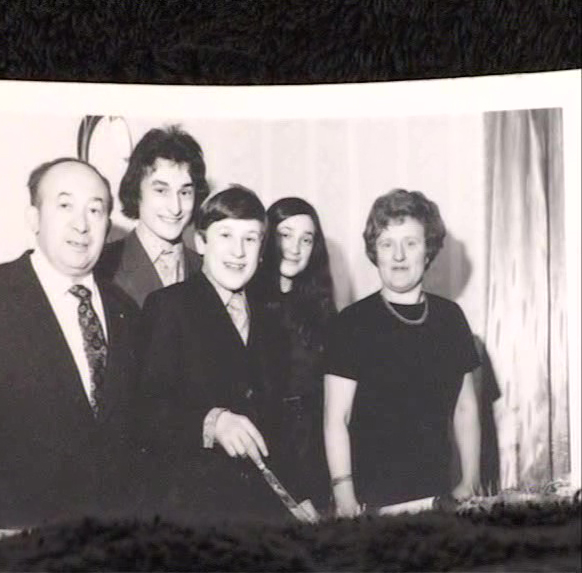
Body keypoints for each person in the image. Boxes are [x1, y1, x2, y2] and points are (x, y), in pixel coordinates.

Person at [0, 158, 141, 529]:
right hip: (12, 545)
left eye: (95, 210)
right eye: (65, 205)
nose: (81, 224)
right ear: (34, 218)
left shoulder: (126, 311)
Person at [324, 189, 481, 516]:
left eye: (410, 243)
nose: (398, 256)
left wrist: (470, 480)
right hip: (369, 502)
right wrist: (344, 496)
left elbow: (465, 407)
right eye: (386, 244)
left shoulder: (450, 318)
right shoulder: (351, 323)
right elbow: (336, 418)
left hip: (436, 496)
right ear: (375, 252)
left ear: (428, 249)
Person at [135, 185, 288, 523]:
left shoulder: (272, 319)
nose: (238, 251)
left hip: (261, 512)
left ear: (262, 251)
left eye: (250, 239)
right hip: (190, 511)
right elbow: (146, 411)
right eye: (226, 236)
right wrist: (211, 422)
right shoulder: (169, 306)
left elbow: (280, 422)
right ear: (201, 242)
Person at [250, 197, 335, 513]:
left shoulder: (322, 310)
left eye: (306, 239)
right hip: (266, 443)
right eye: (285, 235)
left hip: (313, 444)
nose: (295, 248)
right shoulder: (247, 303)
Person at [95, 125, 210, 307]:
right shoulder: (102, 265)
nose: (175, 208)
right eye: (161, 190)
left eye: (185, 192)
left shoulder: (207, 268)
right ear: (136, 190)